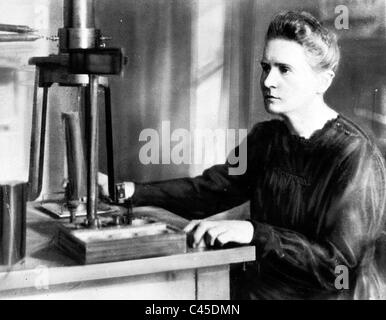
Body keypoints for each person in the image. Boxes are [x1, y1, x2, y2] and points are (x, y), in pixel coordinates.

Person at [100, 11, 386, 299]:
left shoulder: (353, 155)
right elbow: (208, 192)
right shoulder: (266, 138)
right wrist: (128, 191)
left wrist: (253, 233)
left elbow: (337, 268)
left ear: (322, 81)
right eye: (266, 67)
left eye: (284, 69)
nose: (268, 80)